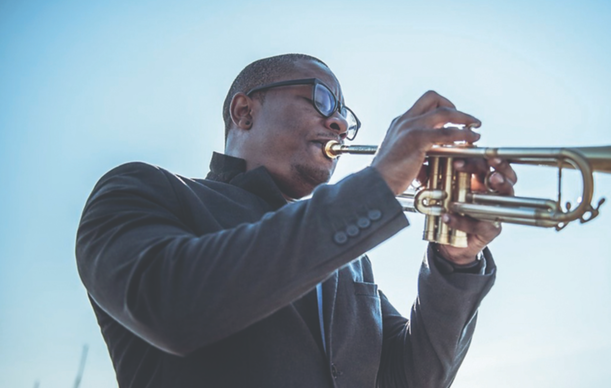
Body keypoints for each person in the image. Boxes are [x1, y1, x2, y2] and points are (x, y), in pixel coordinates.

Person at [75, 54, 517, 387]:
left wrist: (455, 255)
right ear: (244, 112)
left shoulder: (347, 260)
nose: (340, 123)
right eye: (322, 99)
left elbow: (409, 377)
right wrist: (377, 183)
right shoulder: (143, 190)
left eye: (346, 116)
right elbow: (172, 309)